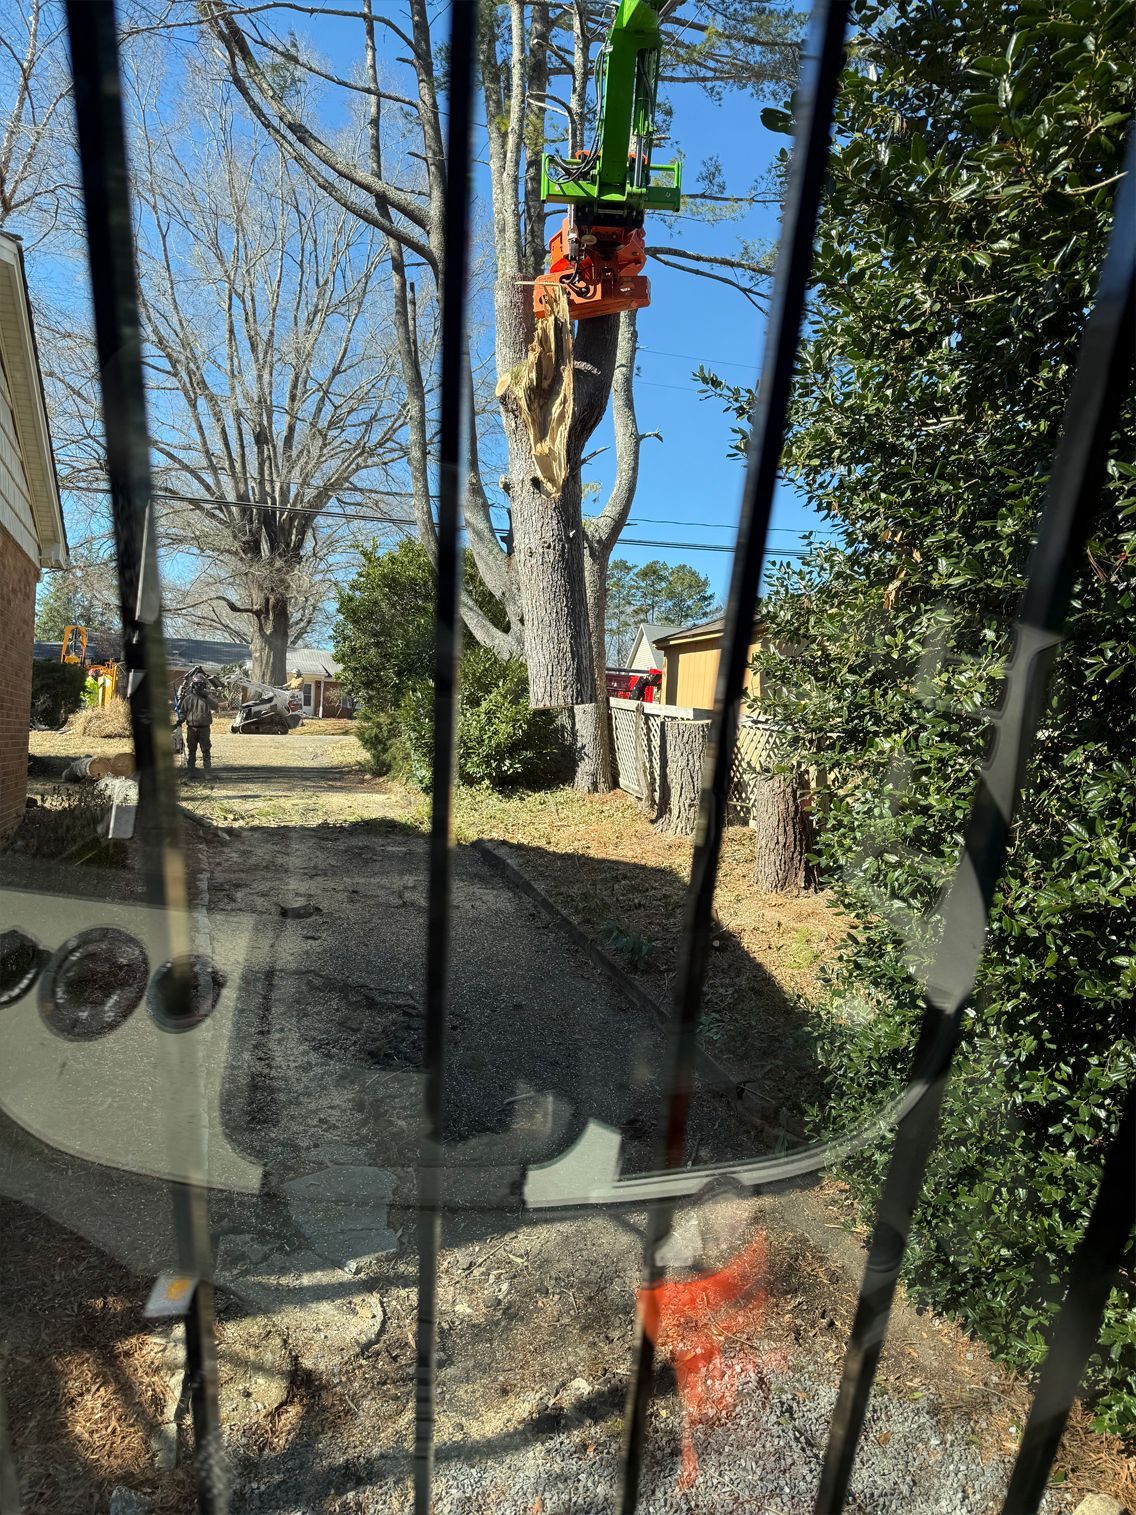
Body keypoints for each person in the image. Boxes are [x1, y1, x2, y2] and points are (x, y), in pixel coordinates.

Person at [176, 667, 219, 779]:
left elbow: (215, 706)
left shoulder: (207, 697)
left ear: (204, 685)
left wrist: (206, 696)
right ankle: (191, 772)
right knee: (191, 751)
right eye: (197, 684)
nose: (199, 686)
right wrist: (180, 719)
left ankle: (207, 772)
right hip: (192, 728)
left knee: (206, 751)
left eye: (201, 684)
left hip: (204, 728)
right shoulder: (188, 699)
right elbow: (182, 712)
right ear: (193, 685)